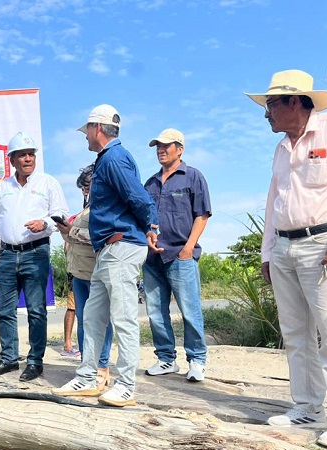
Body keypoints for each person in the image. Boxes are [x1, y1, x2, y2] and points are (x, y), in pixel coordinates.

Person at [246, 69, 327, 450]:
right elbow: (274, 203)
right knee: (296, 333)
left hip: (324, 244)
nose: (266, 114)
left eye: (270, 105)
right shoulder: (282, 147)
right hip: (284, 247)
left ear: (294, 102)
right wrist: (268, 251)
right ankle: (307, 407)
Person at [53, 105, 160, 406]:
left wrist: (151, 226)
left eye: (86, 130)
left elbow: (139, 197)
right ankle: (87, 376)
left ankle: (126, 384)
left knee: (123, 316)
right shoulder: (106, 159)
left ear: (96, 128)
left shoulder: (114, 158)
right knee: (93, 315)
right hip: (107, 249)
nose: (85, 136)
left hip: (121, 246)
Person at [0, 132, 69, 382]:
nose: (28, 158)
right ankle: (9, 358)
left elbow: (61, 214)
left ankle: (35, 361)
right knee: (5, 310)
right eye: (22, 155)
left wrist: (45, 223)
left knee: (36, 311)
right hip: (7, 255)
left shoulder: (48, 183)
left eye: (31, 154)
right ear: (12, 159)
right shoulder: (3, 188)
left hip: (36, 253)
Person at [142, 129, 212, 382]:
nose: (160, 150)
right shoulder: (149, 183)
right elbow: (145, 217)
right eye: (157, 146)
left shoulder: (192, 177)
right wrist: (147, 237)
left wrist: (188, 248)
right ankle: (165, 359)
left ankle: (197, 360)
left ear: (179, 148)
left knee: (190, 311)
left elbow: (202, 215)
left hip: (181, 255)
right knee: (155, 312)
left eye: (165, 145)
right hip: (152, 259)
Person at [53, 164, 114, 391]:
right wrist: (65, 230)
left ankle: (102, 366)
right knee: (83, 319)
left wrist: (72, 232)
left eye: (88, 186)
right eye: (83, 187)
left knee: (101, 320)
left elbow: (104, 236)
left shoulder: (107, 206)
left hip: (96, 273)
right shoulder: (86, 208)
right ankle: (86, 367)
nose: (85, 191)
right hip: (78, 273)